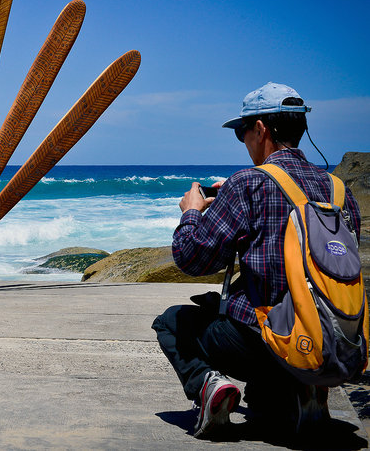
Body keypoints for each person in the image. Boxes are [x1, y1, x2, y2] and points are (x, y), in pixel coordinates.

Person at [151, 82, 362, 439]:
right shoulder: (339, 190)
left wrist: (192, 213)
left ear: (261, 129)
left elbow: (191, 258)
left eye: (242, 132)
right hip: (333, 342)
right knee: (265, 407)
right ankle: (303, 389)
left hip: (264, 341)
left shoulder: (248, 184)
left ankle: (209, 387)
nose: (244, 141)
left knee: (172, 322)